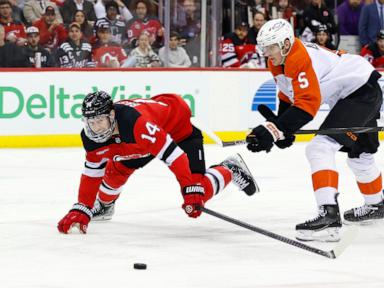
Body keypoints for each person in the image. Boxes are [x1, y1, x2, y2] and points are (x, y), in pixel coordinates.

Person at [246, 19, 384, 242]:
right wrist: (281, 128)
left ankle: (328, 216)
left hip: (360, 92)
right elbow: (289, 96)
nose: (265, 53)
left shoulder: (299, 57)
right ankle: (377, 204)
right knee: (361, 156)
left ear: (286, 43)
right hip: (359, 89)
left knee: (319, 148)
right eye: (263, 47)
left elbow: (307, 106)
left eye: (270, 47)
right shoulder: (277, 60)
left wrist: (273, 129)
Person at [57, 92, 258, 234]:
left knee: (197, 193)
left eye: (99, 121)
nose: (95, 128)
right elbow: (92, 173)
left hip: (178, 130)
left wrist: (189, 188)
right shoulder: (91, 136)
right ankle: (105, 205)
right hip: (144, 139)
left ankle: (229, 169)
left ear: (111, 116)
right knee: (114, 172)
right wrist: (83, 207)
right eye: (90, 122)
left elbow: (174, 156)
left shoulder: (137, 125)